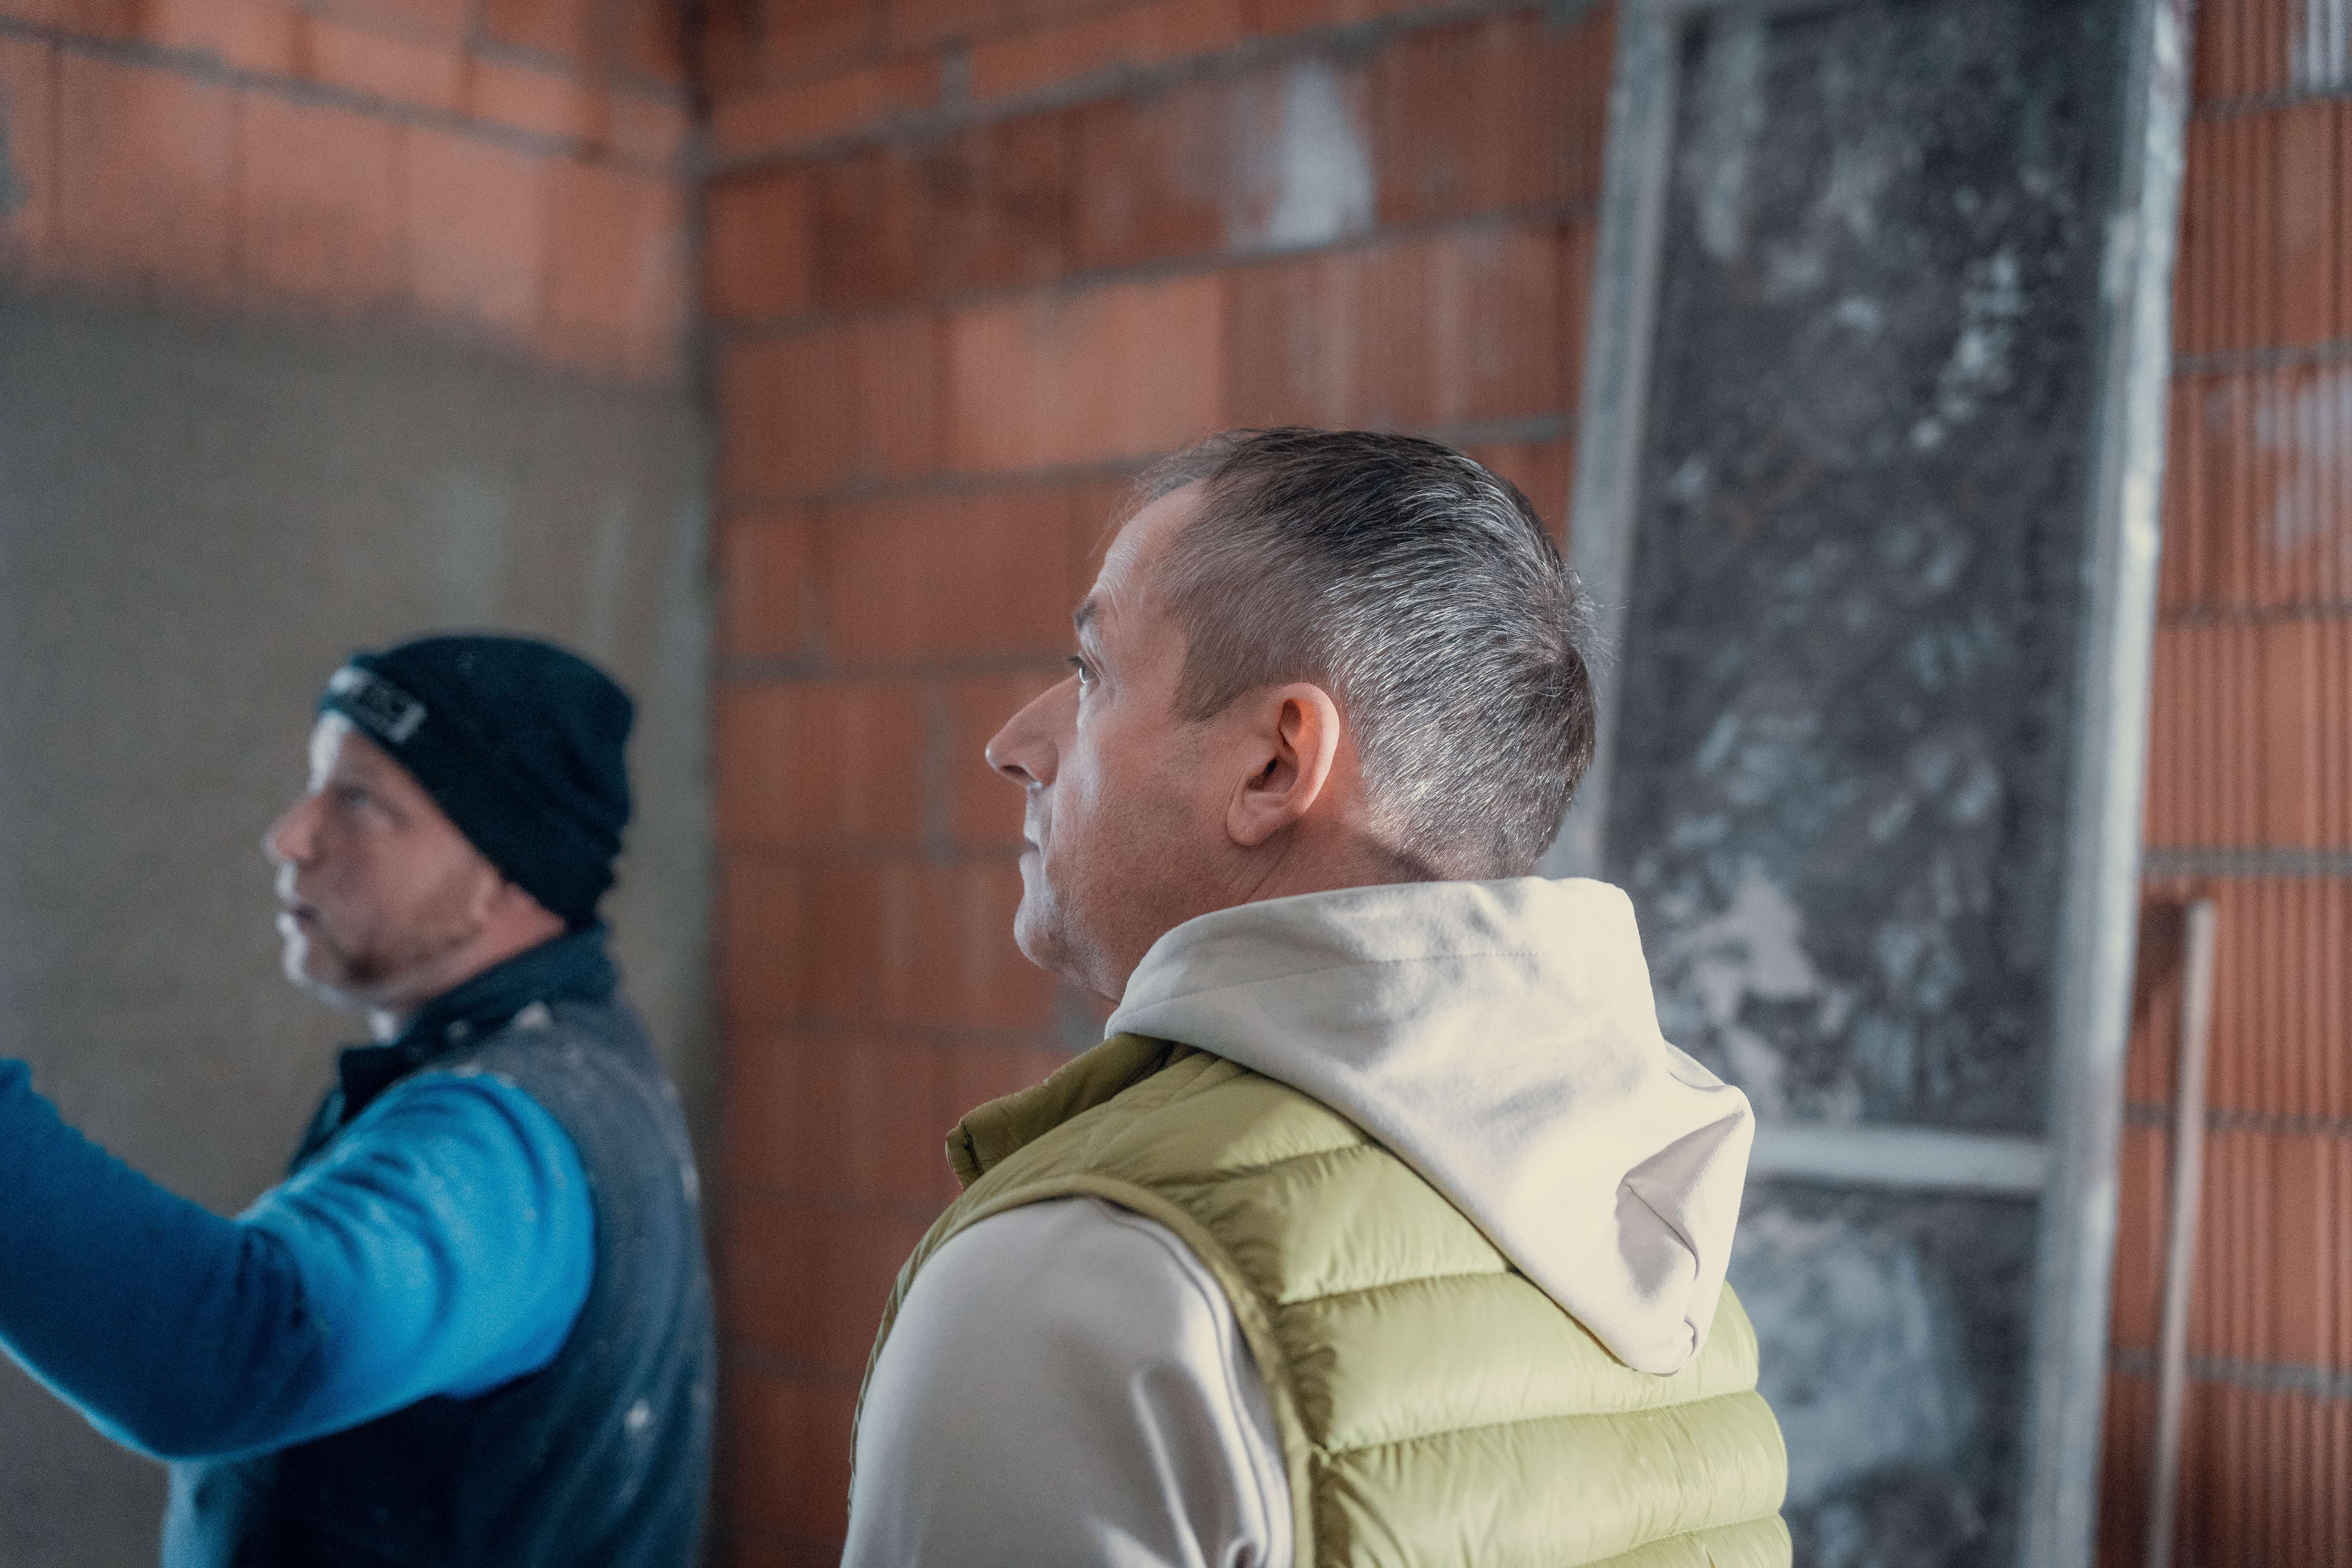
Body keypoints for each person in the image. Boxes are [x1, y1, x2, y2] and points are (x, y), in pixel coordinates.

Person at [844, 430, 1790, 1567]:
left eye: (1094, 676)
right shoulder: (1673, 1263)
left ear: (1277, 766)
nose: (1014, 744)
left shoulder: (1085, 1287)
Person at [0, 634, 714, 1566]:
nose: (290, 834)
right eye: (314, 784)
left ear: (508, 874)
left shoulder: (507, 1141)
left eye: (361, 800)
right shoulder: (565, 1060)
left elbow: (228, 1354)